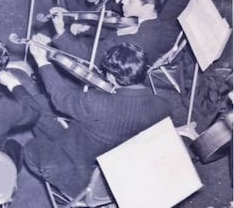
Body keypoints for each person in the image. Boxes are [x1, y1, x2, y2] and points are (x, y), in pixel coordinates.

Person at [24, 40, 170, 198]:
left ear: (112, 77)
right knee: (42, 105)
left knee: (31, 147)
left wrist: (42, 61)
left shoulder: (96, 102)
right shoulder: (163, 106)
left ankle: (65, 192)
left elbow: (62, 97)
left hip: (78, 172)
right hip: (114, 170)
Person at [48, 0, 180, 66]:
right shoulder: (156, 21)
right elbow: (118, 28)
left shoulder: (131, 42)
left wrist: (61, 32)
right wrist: (88, 28)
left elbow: (90, 57)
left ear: (148, 7)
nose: (123, 1)